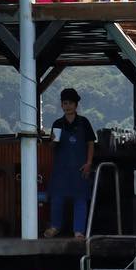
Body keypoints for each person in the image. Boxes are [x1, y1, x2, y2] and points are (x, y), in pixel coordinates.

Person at [44, 87, 96, 238]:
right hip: (61, 168)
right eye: (65, 103)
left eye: (70, 103)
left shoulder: (84, 122)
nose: (67, 106)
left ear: (76, 105)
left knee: (80, 199)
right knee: (57, 198)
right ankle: (55, 227)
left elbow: (91, 143)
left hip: (80, 167)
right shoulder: (58, 123)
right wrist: (53, 141)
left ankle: (79, 231)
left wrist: (89, 163)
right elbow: (52, 146)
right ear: (61, 105)